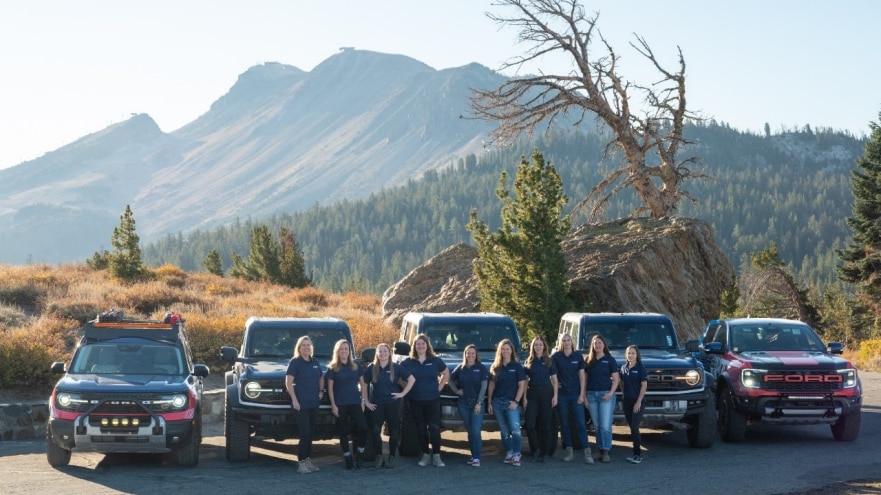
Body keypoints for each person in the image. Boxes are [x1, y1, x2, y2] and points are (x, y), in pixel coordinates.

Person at [400, 334, 450, 467]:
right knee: (421, 429)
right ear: (414, 346)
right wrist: (406, 388)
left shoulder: (435, 360)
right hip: (415, 400)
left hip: (432, 399)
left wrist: (439, 387)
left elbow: (446, 373)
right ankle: (425, 455)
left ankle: (437, 456)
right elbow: (399, 376)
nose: (420, 346)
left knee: (434, 428)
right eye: (418, 344)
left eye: (423, 344)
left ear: (427, 345)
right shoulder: (408, 362)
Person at [363, 343, 415, 468]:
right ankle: (379, 456)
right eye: (380, 351)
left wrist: (402, 393)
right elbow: (364, 383)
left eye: (385, 351)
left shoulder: (396, 367)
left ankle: (391, 456)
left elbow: (412, 379)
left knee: (394, 431)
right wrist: (366, 401)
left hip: (393, 404)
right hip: (377, 404)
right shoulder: (372, 368)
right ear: (377, 353)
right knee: (375, 430)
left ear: (389, 353)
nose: (382, 353)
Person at [326, 339, 369, 469]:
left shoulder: (356, 365)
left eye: (346, 349)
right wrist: (333, 405)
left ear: (349, 351)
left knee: (363, 428)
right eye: (341, 349)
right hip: (340, 404)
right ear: (337, 351)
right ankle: (347, 457)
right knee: (343, 432)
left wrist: (363, 400)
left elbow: (363, 384)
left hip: (355, 402)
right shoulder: (332, 368)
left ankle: (360, 453)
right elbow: (330, 388)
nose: (344, 351)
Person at [284, 335, 324, 474]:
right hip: (300, 405)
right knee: (305, 433)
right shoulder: (295, 362)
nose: (306, 347)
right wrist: (294, 400)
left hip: (313, 403)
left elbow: (321, 377)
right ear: (299, 348)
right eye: (303, 345)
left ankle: (307, 460)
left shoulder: (315, 362)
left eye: (308, 345)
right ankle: (301, 463)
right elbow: (288, 382)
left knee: (311, 433)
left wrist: (321, 391)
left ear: (311, 347)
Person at [551, 333, 591, 464]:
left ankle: (587, 452)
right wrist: (555, 393)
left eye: (568, 340)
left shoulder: (578, 356)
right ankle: (569, 451)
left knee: (580, 423)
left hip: (576, 395)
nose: (566, 342)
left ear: (571, 342)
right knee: (565, 424)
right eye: (564, 340)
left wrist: (582, 395)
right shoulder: (556, 357)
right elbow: (553, 377)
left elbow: (582, 376)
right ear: (561, 343)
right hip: (562, 395)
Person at [486, 338, 527, 467]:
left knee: (515, 429)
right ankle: (509, 452)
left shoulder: (517, 366)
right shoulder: (495, 367)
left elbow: (522, 385)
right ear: (500, 351)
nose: (505, 351)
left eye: (507, 349)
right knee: (504, 430)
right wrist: (490, 402)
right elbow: (491, 385)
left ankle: (517, 453)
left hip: (511, 403)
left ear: (511, 351)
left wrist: (516, 401)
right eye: (503, 349)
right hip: (497, 403)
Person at [449, 344, 489, 467]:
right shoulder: (460, 368)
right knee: (470, 431)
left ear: (476, 355)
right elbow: (449, 379)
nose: (470, 355)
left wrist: (479, 403)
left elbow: (484, 386)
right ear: (465, 355)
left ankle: (477, 457)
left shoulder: (481, 368)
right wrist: (456, 390)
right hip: (463, 404)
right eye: (468, 353)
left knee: (476, 431)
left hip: (477, 404)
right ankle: (473, 456)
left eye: (473, 353)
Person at [585, 334, 619, 463]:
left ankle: (606, 451)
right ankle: (599, 450)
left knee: (605, 425)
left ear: (604, 344)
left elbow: (616, 380)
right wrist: (584, 397)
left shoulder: (610, 360)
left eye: (599, 342)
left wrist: (610, 394)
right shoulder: (588, 360)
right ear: (592, 346)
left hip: (606, 395)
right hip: (591, 395)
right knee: (597, 425)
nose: (597, 345)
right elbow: (585, 380)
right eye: (595, 343)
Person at [523, 336, 558, 463]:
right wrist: (524, 398)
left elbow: (554, 380)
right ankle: (535, 449)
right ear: (533, 347)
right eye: (536, 345)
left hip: (546, 393)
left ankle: (545, 452)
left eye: (540, 344)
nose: (538, 347)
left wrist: (555, 396)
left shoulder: (550, 361)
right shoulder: (528, 361)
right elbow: (525, 382)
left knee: (546, 424)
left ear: (544, 346)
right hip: (532, 394)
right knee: (530, 424)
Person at [620, 344, 647, 464]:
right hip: (627, 401)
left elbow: (644, 385)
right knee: (631, 427)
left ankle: (638, 455)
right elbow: (621, 382)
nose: (630, 355)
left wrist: (638, 402)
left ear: (637, 355)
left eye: (633, 353)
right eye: (629, 353)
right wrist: (623, 393)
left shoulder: (640, 368)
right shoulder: (623, 368)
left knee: (635, 427)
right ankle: (634, 453)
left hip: (638, 401)